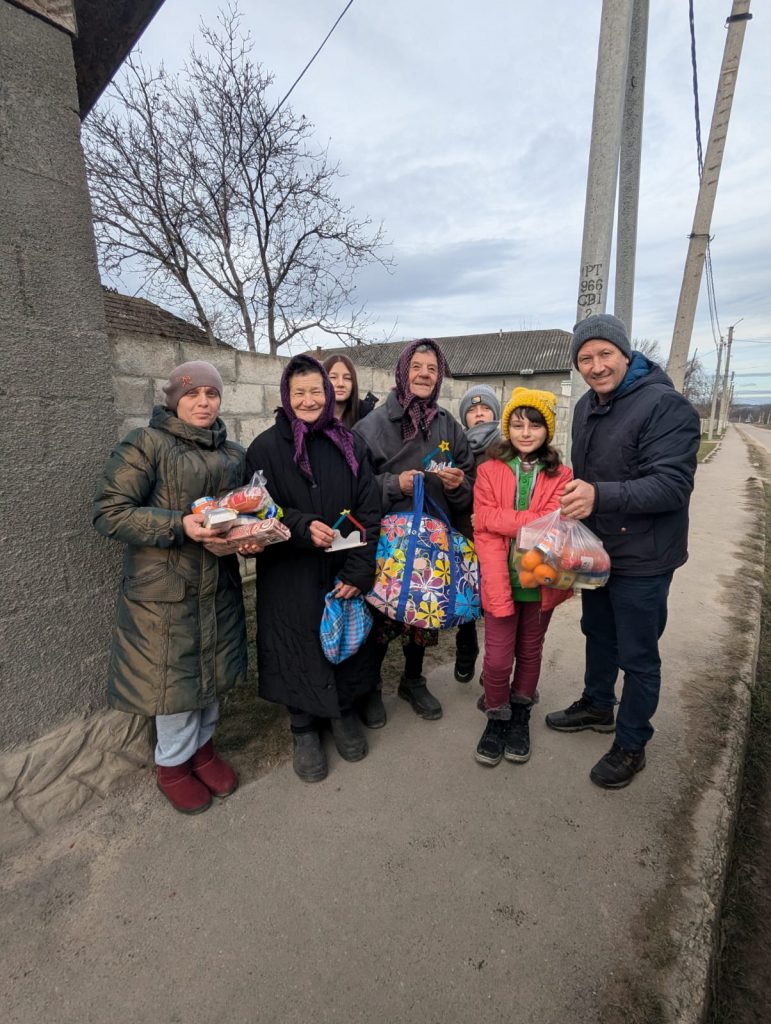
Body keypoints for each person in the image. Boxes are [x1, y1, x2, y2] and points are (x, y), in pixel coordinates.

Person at [92, 361, 257, 815]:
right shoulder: (146, 444)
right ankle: (172, 766)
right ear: (173, 400)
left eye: (211, 394)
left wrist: (249, 537)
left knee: (212, 672)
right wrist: (179, 524)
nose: (203, 403)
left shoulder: (234, 454)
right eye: (192, 394)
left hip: (217, 583)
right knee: (175, 682)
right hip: (163, 590)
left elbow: (240, 511)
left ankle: (203, 751)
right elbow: (109, 512)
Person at [547, 313, 701, 789]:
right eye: (585, 358)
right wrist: (574, 498)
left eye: (604, 354)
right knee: (598, 632)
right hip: (598, 549)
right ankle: (598, 704)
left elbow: (672, 485)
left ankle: (632, 743)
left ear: (625, 353)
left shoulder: (665, 406)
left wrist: (599, 495)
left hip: (645, 556)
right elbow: (589, 472)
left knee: (637, 655)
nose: (595, 366)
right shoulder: (586, 407)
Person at [245, 355, 382, 783]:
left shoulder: (352, 444)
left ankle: (340, 713)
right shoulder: (264, 449)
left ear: (329, 395)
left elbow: (370, 508)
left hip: (344, 565)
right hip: (289, 572)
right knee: (297, 642)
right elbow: (256, 512)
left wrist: (360, 570)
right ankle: (303, 727)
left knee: (341, 641)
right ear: (286, 396)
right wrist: (301, 526)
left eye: (315, 391)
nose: (308, 400)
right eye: (299, 392)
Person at [353, 338, 475, 722]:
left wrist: (458, 485)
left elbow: (470, 482)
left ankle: (413, 679)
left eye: (432, 369)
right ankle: (369, 686)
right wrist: (393, 485)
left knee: (423, 613)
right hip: (387, 539)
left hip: (433, 539)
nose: (424, 374)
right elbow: (352, 487)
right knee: (381, 613)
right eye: (417, 367)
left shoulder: (446, 425)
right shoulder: (371, 425)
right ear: (402, 372)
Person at [473, 388, 573, 767]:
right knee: (497, 660)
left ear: (547, 430)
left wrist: (502, 520)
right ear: (507, 428)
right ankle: (496, 714)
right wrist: (513, 522)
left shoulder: (561, 474)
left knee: (530, 651)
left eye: (534, 425)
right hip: (501, 580)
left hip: (540, 580)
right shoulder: (488, 469)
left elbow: (554, 524)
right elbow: (482, 524)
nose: (526, 433)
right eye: (517, 425)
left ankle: (520, 714)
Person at [454, 383, 502, 683]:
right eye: (472, 410)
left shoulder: (507, 447)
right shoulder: (457, 447)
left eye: (485, 408)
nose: (479, 414)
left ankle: (493, 664)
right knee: (467, 599)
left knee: (496, 604)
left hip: (498, 537)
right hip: (464, 533)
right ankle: (466, 649)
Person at [323, 353, 378, 428]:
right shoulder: (311, 417)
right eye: (333, 377)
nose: (341, 384)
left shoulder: (366, 417)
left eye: (347, 378)